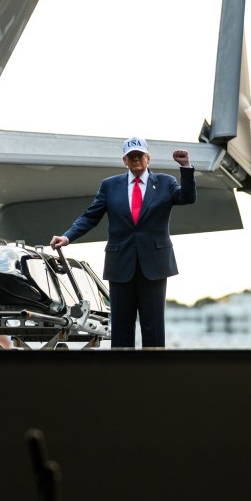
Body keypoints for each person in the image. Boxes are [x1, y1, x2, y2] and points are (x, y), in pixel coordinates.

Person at [50, 137, 195, 348]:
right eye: (131, 157)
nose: (136, 160)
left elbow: (188, 197)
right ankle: (122, 376)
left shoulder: (165, 182)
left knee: (153, 327)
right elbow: (91, 216)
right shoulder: (110, 185)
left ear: (148, 158)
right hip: (120, 263)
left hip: (154, 264)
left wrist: (186, 167)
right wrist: (67, 236)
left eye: (140, 156)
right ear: (124, 160)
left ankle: (154, 376)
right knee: (121, 327)